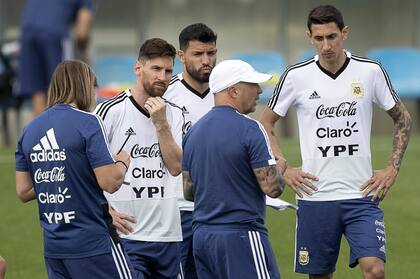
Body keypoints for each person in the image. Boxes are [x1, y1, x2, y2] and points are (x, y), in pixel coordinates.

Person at [260, 5, 412, 279]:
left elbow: (402, 118)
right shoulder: (296, 76)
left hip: (362, 195)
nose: (326, 45)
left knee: (375, 270)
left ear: (344, 33)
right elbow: (265, 123)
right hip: (315, 197)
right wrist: (285, 168)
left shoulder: (370, 71)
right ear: (309, 37)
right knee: (320, 276)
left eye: (332, 36)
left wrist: (392, 168)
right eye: (319, 38)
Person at [15, 60, 132, 278]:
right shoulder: (88, 122)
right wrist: (124, 160)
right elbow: (110, 182)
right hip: (92, 243)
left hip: (54, 246)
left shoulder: (30, 129)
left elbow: (23, 191)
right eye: (93, 86)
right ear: (83, 85)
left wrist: (66, 176)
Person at [182, 59, 285, 279]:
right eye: (253, 84)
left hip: (202, 239)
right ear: (234, 91)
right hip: (241, 236)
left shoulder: (193, 133)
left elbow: (189, 192)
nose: (259, 90)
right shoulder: (251, 128)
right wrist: (279, 169)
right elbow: (272, 188)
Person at [94, 38, 184, 279]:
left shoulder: (174, 114)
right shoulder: (109, 111)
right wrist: (105, 211)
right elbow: (84, 169)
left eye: (168, 71)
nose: (162, 77)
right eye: (156, 69)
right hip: (126, 236)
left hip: (167, 234)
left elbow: (176, 167)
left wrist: (161, 124)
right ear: (138, 68)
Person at [163, 22, 217, 279]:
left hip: (220, 209)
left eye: (211, 53)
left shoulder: (226, 93)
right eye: (198, 54)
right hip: (179, 209)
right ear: (181, 56)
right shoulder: (165, 95)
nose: (206, 60)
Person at [18, 0, 93, 116]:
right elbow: (82, 32)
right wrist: (82, 52)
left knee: (38, 90)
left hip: (27, 32)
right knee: (66, 88)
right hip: (55, 33)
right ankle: (62, 132)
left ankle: (41, 132)